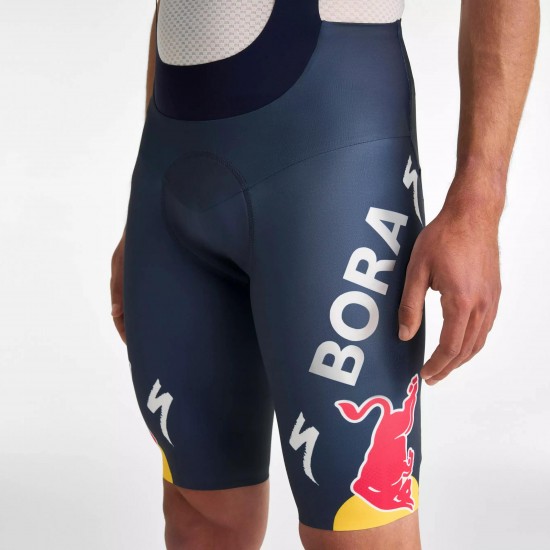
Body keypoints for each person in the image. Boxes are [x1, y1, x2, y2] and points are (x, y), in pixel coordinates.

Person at [110, 1, 540, 548]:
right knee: (201, 514)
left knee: (356, 526)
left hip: (334, 162)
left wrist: (478, 205)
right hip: (172, 169)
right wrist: (145, 206)